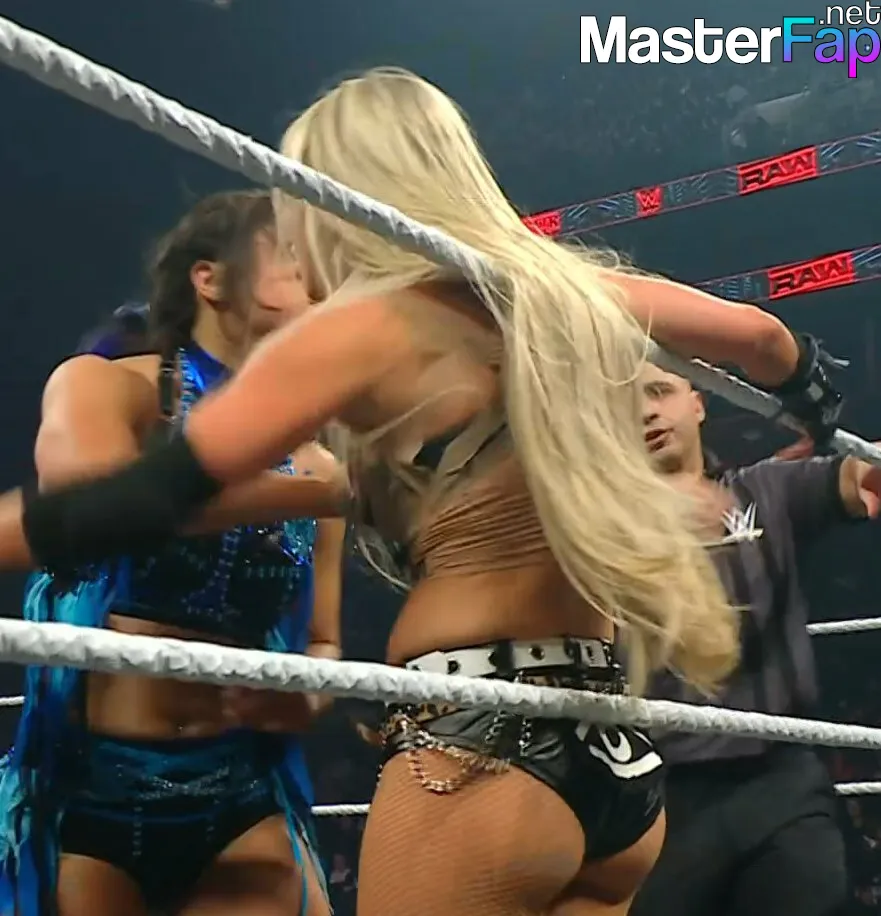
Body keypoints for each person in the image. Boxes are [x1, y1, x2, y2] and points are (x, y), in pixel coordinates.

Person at [1, 69, 848, 915]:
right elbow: (765, 338)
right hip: (613, 747)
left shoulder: (369, 326)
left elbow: (149, 495)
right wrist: (810, 399)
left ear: (326, 200)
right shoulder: (570, 290)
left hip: (485, 746)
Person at [0, 190, 348, 916]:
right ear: (208, 278)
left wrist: (306, 695)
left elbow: (322, 640)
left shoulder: (319, 462)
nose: (316, 274)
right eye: (291, 254)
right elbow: (91, 504)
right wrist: (323, 495)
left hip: (239, 789)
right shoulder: (106, 385)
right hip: (91, 786)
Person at [630, 362, 880, 916]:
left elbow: (864, 478)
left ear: (698, 403)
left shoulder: (764, 488)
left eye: (659, 392)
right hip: (660, 789)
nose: (645, 412)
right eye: (624, 405)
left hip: (780, 773)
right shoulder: (597, 528)